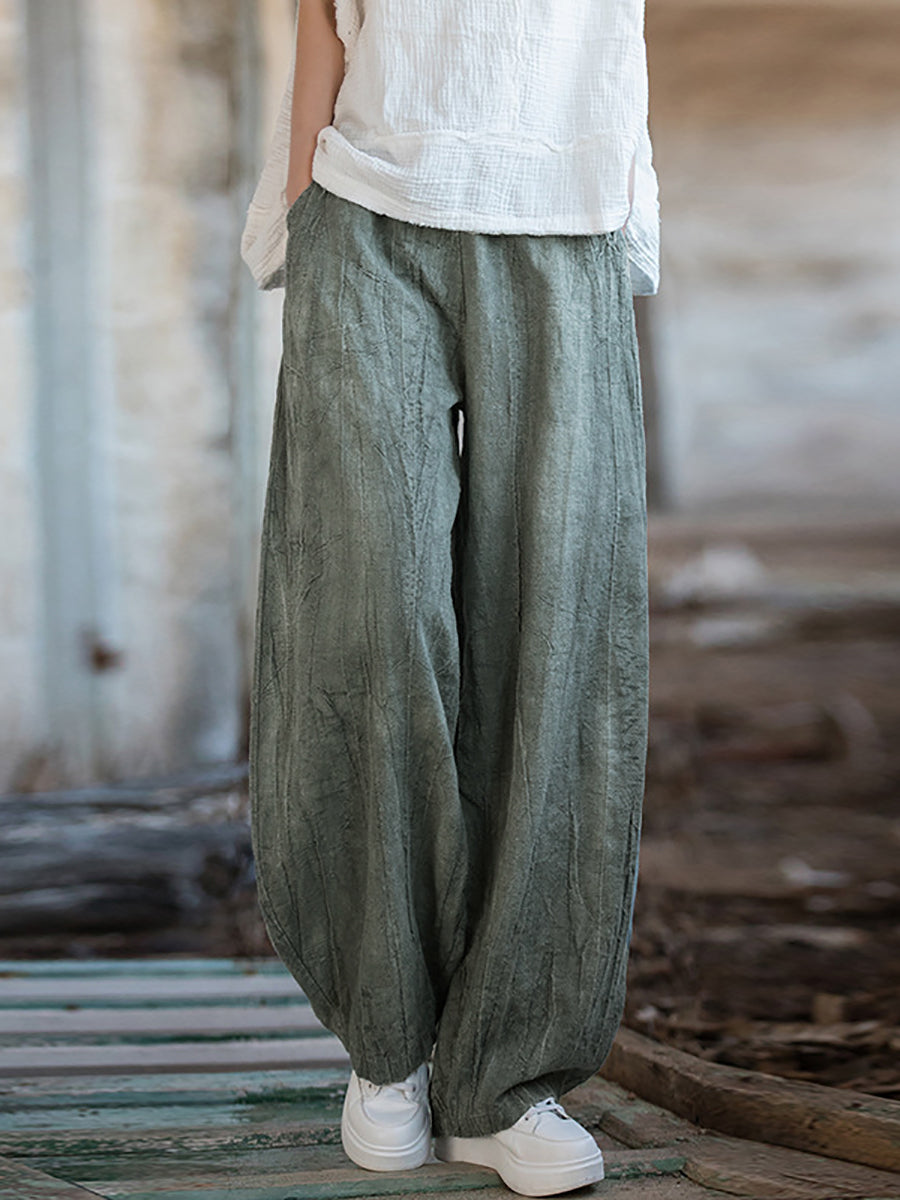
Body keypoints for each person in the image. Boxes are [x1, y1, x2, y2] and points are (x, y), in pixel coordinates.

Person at [241, 1, 659, 1195]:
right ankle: (388, 1046)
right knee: (364, 616)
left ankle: (504, 1082)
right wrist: (304, 204)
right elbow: (322, 17)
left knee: (556, 637)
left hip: (566, 212)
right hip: (366, 212)